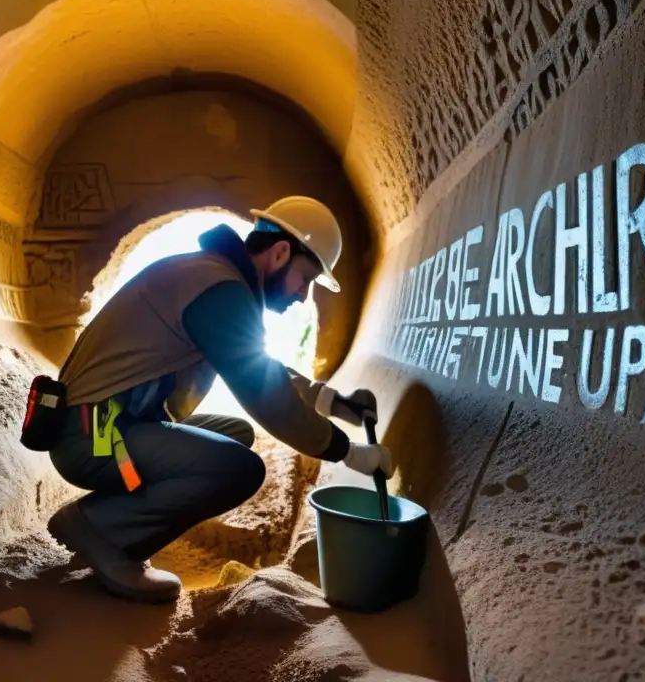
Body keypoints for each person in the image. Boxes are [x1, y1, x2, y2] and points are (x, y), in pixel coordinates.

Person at [46, 196, 393, 603]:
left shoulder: (214, 277)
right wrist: (349, 453)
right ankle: (103, 532)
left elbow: (262, 366)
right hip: (94, 435)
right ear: (281, 253)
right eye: (305, 278)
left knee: (233, 433)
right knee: (238, 470)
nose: (303, 295)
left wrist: (334, 403)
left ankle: (111, 521)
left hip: (106, 424)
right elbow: (268, 396)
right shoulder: (219, 288)